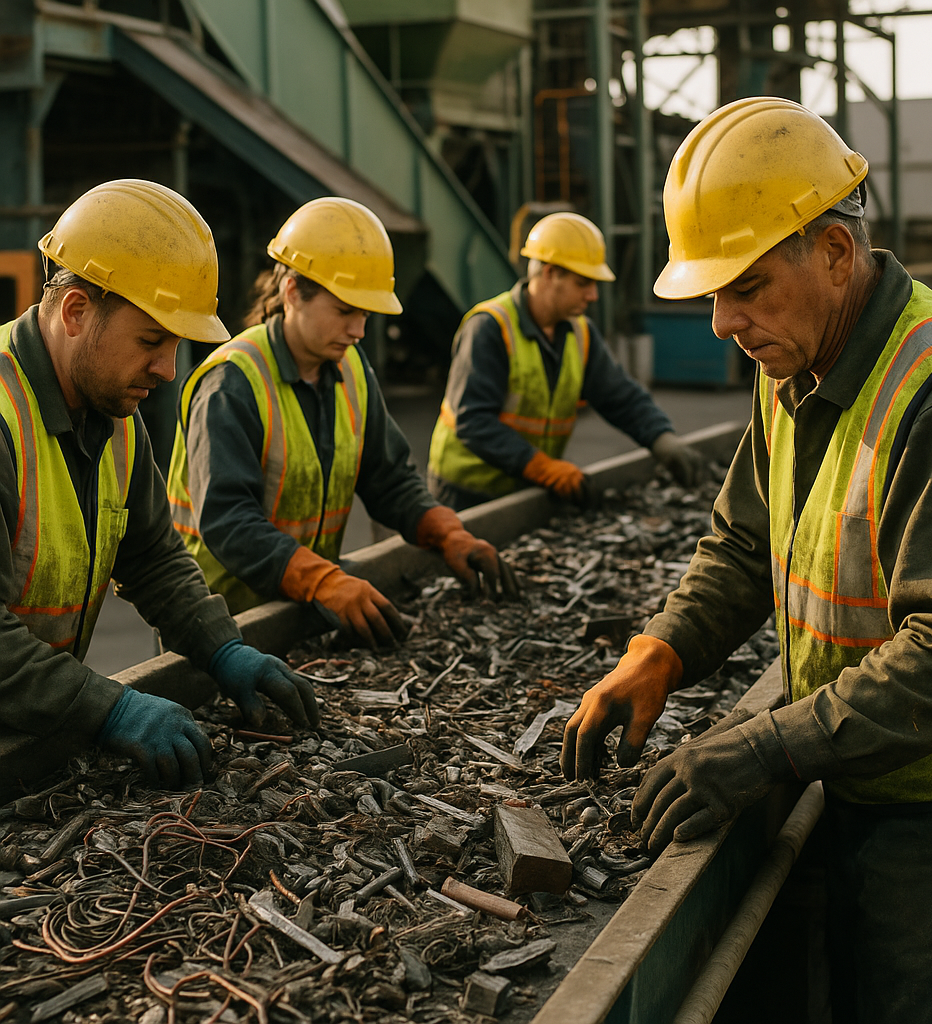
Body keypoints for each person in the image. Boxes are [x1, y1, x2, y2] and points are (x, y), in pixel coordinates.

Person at [561, 97, 932, 1022]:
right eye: (713, 295)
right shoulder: (798, 362)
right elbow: (742, 542)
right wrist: (662, 650)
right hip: (859, 780)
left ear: (837, 255)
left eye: (747, 286)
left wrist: (762, 747)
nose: (725, 321)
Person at [0, 179, 319, 800]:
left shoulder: (113, 411)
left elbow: (150, 556)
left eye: (176, 344)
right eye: (151, 340)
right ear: (75, 312)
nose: (168, 369)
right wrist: (109, 709)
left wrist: (222, 647)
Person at [166, 197, 517, 651]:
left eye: (366, 314)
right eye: (346, 311)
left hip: (294, 609)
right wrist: (325, 582)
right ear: (292, 291)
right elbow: (229, 521)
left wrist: (447, 532)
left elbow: (388, 478)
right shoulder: (232, 382)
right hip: (217, 626)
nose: (359, 330)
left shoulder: (351, 369)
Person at [426, 211, 704, 511]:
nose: (593, 295)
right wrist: (545, 468)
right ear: (549, 274)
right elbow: (473, 421)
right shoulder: (490, 328)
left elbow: (620, 396)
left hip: (525, 486)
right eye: (584, 283)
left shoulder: (579, 332)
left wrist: (661, 438)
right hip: (465, 493)